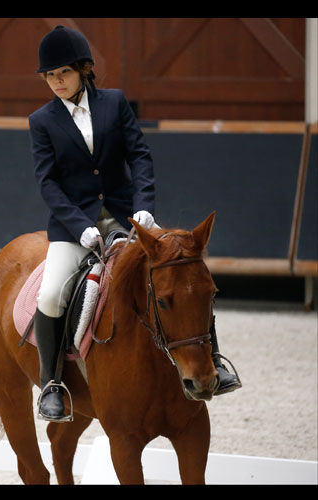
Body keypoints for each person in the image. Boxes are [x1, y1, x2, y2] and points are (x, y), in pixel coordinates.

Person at [28, 26, 241, 422]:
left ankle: (213, 359)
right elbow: (48, 183)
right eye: (49, 77)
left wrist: (144, 208)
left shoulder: (114, 103)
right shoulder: (41, 120)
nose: (56, 83)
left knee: (184, 275)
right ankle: (53, 382)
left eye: (63, 74)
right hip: (75, 224)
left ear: (84, 69)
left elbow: (139, 156)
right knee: (51, 294)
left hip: (129, 215)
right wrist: (79, 227)